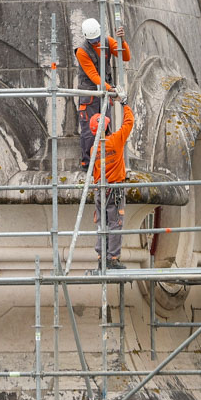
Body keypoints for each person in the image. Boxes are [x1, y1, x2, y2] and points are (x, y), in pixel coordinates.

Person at [75, 17, 131, 168]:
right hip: (90, 94)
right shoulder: (82, 51)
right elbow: (93, 75)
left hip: (105, 92)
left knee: (105, 128)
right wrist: (110, 89)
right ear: (86, 38)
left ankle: (105, 164)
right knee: (89, 131)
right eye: (93, 41)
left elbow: (125, 56)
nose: (96, 42)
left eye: (97, 39)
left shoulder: (107, 41)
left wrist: (121, 41)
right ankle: (89, 165)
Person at [89, 94, 134, 270]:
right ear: (107, 126)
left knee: (102, 224)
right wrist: (125, 104)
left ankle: (101, 257)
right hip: (114, 189)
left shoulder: (94, 148)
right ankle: (113, 259)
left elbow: (95, 173)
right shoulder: (115, 140)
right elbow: (129, 122)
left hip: (100, 189)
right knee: (115, 224)